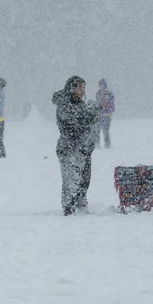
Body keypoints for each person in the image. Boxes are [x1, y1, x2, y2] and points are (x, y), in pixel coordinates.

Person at [52, 75, 102, 214]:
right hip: (69, 149)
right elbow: (76, 120)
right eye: (80, 87)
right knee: (71, 183)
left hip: (83, 150)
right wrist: (92, 113)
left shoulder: (80, 104)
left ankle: (81, 206)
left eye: (84, 88)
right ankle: (69, 209)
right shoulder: (64, 103)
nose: (82, 91)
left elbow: (87, 119)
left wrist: (94, 112)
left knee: (83, 182)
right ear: (72, 87)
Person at [94, 79, 115, 148]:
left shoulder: (109, 93)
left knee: (105, 131)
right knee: (97, 130)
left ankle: (107, 145)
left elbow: (112, 105)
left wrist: (107, 109)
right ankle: (97, 145)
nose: (99, 86)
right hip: (99, 114)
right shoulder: (98, 93)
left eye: (100, 85)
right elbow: (97, 102)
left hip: (107, 115)